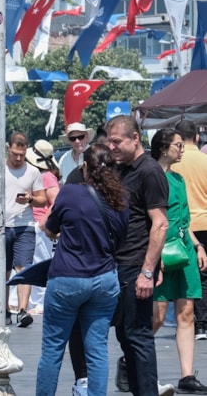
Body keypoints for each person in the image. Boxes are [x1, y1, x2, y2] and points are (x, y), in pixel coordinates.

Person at [35, 144, 128, 396]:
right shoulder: (120, 199)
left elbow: (50, 228)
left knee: (53, 349)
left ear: (85, 167)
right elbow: (121, 240)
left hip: (67, 278)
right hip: (105, 280)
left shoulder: (70, 193)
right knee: (97, 349)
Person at [105, 115, 170, 395]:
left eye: (117, 141)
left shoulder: (149, 170)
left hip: (135, 267)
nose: (112, 147)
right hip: (122, 265)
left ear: (135, 138)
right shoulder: (124, 169)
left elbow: (160, 223)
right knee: (125, 335)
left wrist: (147, 271)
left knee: (139, 336)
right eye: (109, 141)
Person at [149, 129, 207, 394]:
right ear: (163, 148)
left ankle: (186, 375)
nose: (182, 149)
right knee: (157, 316)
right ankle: (136, 360)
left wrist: (197, 246)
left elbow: (185, 220)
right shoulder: (152, 177)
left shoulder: (179, 179)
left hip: (183, 250)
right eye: (177, 145)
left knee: (186, 313)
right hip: (161, 250)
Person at [5, 132, 47, 328]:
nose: (18, 158)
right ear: (8, 148)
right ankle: (4, 310)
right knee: (3, 271)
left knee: (24, 268)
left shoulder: (32, 172)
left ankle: (22, 311)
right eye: (15, 154)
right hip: (2, 226)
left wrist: (30, 199)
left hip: (25, 226)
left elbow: (42, 199)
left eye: (22, 154)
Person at [176, 120, 207, 341]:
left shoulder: (174, 163)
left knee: (191, 275)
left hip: (185, 226)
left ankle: (199, 324)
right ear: (197, 137)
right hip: (206, 221)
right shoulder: (205, 161)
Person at [26, 139, 62, 315]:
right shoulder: (40, 175)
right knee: (32, 262)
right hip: (33, 225)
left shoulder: (47, 176)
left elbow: (57, 202)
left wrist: (43, 224)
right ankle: (34, 301)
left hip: (39, 227)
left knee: (39, 262)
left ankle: (39, 302)